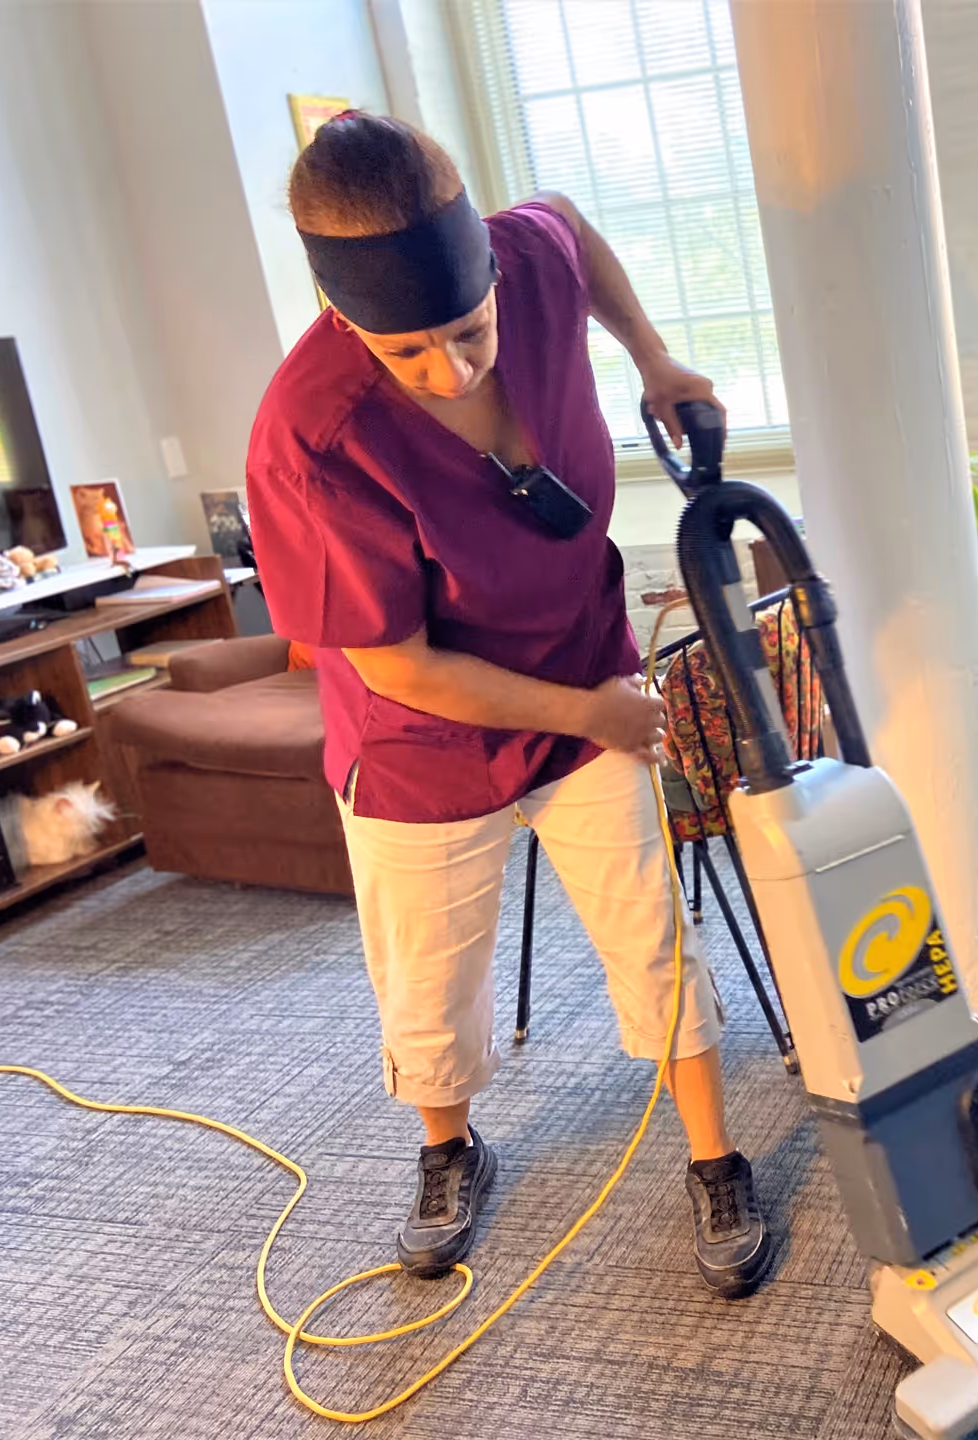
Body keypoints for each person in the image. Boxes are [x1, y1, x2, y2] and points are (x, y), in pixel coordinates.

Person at [244, 112, 771, 1298]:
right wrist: (594, 717)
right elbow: (400, 667)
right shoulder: (308, 438)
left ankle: (713, 1154)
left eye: (469, 330)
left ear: (490, 270)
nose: (453, 368)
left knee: (651, 928)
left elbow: (573, 230)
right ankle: (447, 1148)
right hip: (423, 742)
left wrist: (653, 357)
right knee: (429, 976)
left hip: (583, 668)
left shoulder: (524, 257)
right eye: (408, 352)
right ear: (344, 319)